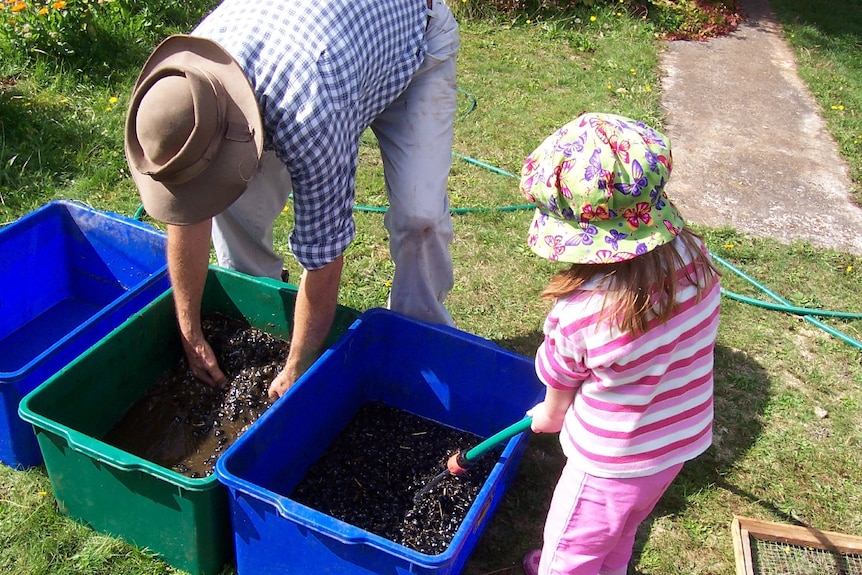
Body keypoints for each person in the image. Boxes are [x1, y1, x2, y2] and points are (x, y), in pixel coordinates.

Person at [123, 0, 460, 398]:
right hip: (330, 56)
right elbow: (188, 210)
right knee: (230, 203)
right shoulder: (185, 81)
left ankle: (418, 342)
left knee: (418, 219)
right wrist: (190, 329)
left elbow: (325, 259)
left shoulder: (308, 113)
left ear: (234, 133)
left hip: (411, 47)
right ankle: (260, 313)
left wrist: (297, 369)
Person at [517, 112, 721, 575]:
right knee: (624, 527)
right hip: (674, 445)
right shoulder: (695, 259)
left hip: (609, 465)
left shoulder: (581, 315)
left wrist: (548, 415)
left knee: (568, 552)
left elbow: (558, 389)